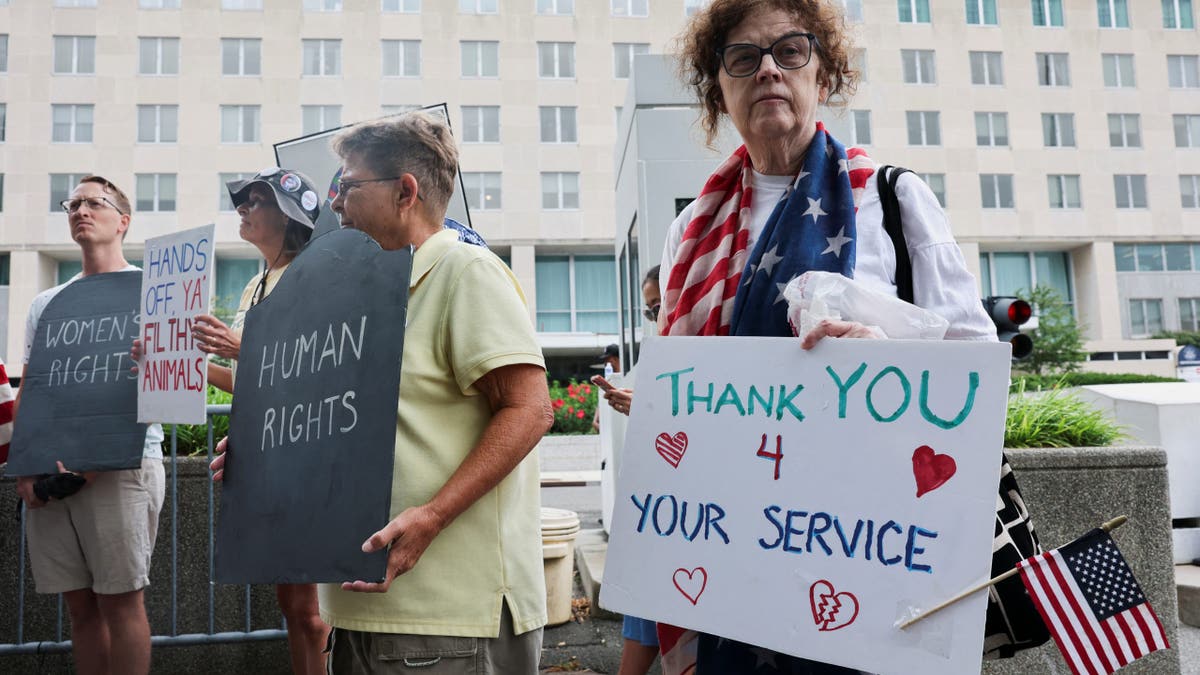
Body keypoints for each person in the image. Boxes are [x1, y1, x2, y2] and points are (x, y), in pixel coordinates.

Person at [657, 1, 996, 672]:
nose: (768, 72)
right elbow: (683, 403)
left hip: (876, 547)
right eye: (742, 58)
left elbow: (977, 371)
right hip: (737, 560)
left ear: (825, 73)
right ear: (716, 88)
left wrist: (882, 362)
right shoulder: (690, 233)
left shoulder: (892, 201)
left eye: (791, 51)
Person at [213, 111, 554, 674]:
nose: (335, 202)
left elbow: (530, 408)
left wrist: (433, 516)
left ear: (405, 192)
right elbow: (348, 425)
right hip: (360, 610)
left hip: (445, 618)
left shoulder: (465, 271)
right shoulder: (357, 297)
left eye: (346, 185)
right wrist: (268, 458)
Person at [13, 175, 166, 675]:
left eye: (94, 202)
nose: (80, 210)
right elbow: (35, 388)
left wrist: (98, 460)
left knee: (121, 602)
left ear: (122, 221)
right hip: (52, 468)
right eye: (72, 203)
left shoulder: (156, 292)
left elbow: (168, 385)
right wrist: (27, 470)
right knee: (80, 609)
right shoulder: (46, 303)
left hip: (124, 468)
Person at [191, 168, 330, 675]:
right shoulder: (255, 283)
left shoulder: (315, 276)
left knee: (313, 612)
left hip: (306, 458)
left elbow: (320, 367)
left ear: (288, 215)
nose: (243, 209)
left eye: (256, 201)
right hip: (269, 459)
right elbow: (250, 378)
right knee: (293, 606)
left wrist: (238, 348)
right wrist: (188, 364)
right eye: (242, 200)